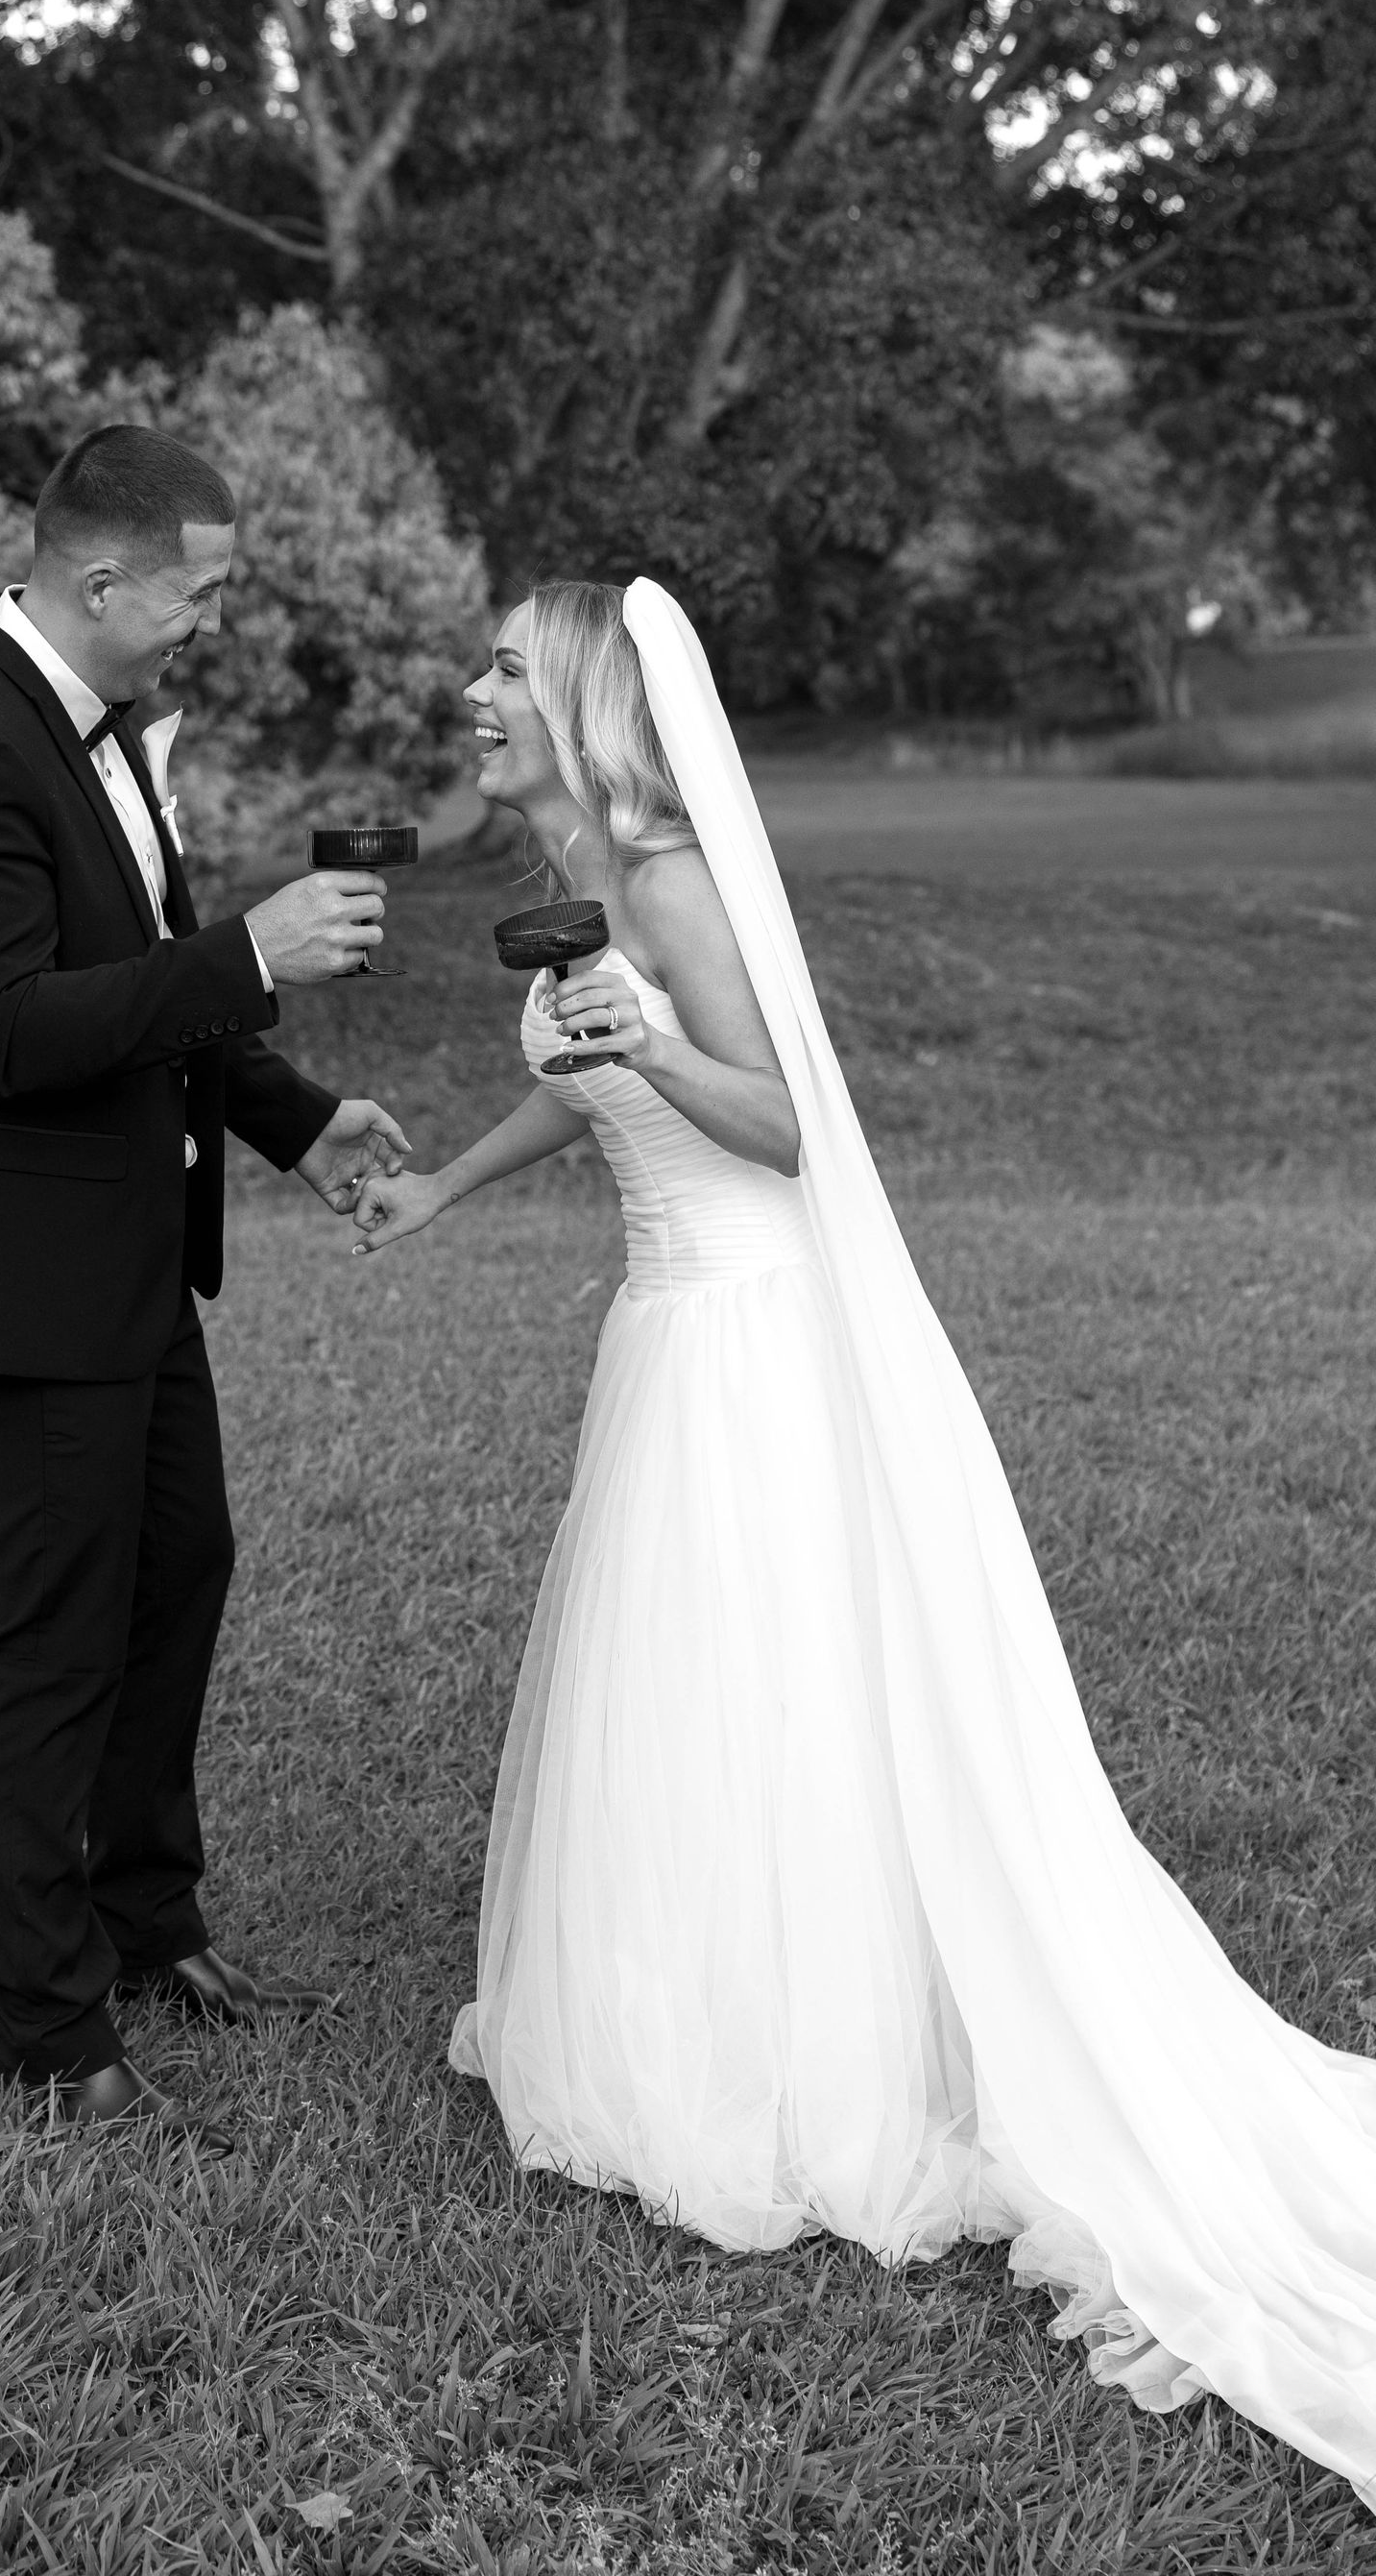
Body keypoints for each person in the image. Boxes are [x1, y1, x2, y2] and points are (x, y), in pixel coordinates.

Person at [350, 577, 1376, 2507]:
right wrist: (450, 1191)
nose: (468, 691)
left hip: (743, 1335)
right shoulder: (588, 869)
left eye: (501, 664)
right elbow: (585, 1080)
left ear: (577, 693)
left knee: (757, 1691)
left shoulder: (660, 878)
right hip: (663, 1328)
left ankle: (794, 2067)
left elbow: (783, 1123)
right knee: (697, 1703)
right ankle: (700, 2012)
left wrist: (642, 1052)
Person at [0, 423, 410, 2144]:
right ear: (102, 580)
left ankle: (150, 1921)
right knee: (53, 1632)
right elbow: (12, 1030)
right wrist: (252, 950)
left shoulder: (87, 726)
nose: (213, 625)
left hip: (128, 1262)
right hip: (22, 1279)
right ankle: (47, 2027)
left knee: (180, 1564)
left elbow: (142, 988)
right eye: (203, 593)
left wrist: (298, 1122)